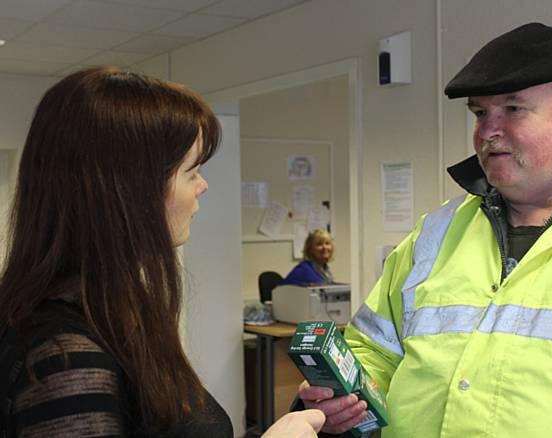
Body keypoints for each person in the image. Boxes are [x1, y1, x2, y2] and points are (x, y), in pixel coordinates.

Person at [298, 23, 552, 437]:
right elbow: (373, 352)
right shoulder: (437, 230)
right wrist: (340, 394)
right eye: (480, 113)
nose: (488, 131)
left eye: (513, 109)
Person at [0, 67, 325, 437]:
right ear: (129, 191)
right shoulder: (65, 357)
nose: (202, 186)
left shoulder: (111, 311)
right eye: (191, 171)